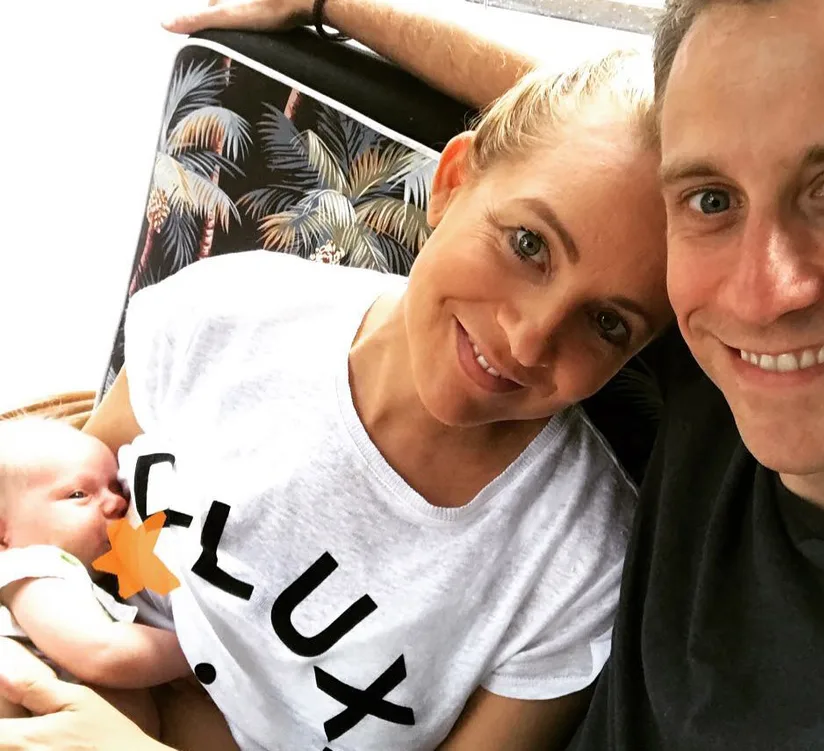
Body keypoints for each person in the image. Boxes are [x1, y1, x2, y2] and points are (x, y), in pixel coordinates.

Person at [0, 48, 672, 751]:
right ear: (450, 182)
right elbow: (57, 508)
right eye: (527, 243)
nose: (529, 339)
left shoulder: (576, 572)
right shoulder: (221, 316)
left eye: (607, 323)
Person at [0, 418, 192, 736]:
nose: (117, 502)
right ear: (2, 535)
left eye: (115, 487)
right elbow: (101, 652)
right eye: (79, 494)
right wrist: (198, 649)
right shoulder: (36, 567)